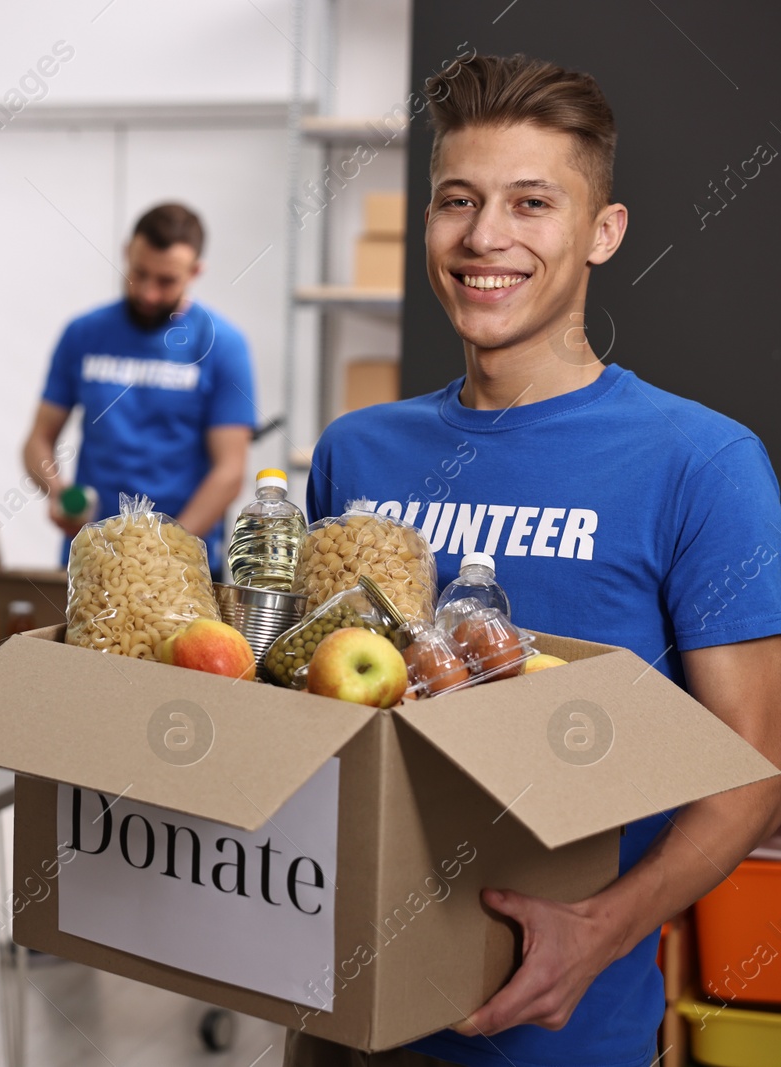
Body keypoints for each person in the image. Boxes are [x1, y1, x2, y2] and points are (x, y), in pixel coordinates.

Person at [290, 54, 781, 1067]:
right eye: (455, 201)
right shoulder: (355, 450)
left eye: (530, 202)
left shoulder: (701, 464)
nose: (483, 237)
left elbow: (751, 768)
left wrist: (599, 931)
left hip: (562, 1038)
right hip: (339, 1017)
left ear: (602, 231)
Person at [22, 202, 256, 573]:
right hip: (92, 557)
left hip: (181, 564)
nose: (148, 293)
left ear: (195, 272)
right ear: (127, 253)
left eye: (166, 281)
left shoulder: (222, 345)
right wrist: (56, 491)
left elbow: (229, 470)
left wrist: (166, 551)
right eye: (139, 273)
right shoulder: (83, 334)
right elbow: (38, 439)